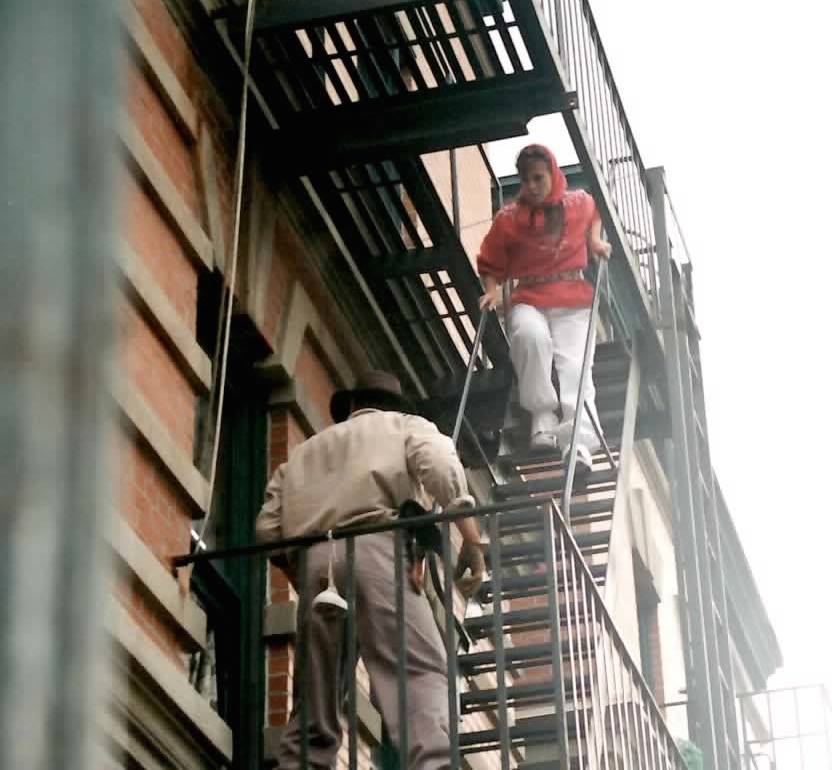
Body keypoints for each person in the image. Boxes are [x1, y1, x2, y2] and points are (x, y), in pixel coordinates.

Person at [255, 370, 487, 770]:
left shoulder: (303, 453)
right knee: (420, 673)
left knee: (316, 695)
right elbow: (441, 467)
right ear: (392, 405)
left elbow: (267, 529)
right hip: (377, 548)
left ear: (349, 407)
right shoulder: (405, 426)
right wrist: (472, 538)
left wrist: (306, 573)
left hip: (316, 563)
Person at [477, 143, 611, 472]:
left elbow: (595, 211)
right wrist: (492, 291)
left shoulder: (577, 203)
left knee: (575, 367)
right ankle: (542, 414)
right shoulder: (510, 218)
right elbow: (490, 261)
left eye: (538, 178)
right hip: (530, 295)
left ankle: (577, 444)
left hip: (572, 296)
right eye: (526, 180)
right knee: (528, 337)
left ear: (553, 174)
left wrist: (594, 240)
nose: (532, 186)